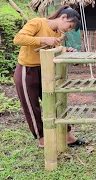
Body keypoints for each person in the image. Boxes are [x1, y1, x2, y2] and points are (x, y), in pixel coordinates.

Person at [13, 5, 86, 148]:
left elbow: (54, 51)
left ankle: (67, 135)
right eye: (70, 26)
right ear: (63, 17)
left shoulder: (58, 33)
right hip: (27, 71)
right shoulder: (37, 22)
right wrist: (43, 40)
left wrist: (66, 50)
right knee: (32, 106)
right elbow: (18, 39)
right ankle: (42, 139)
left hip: (46, 70)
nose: (69, 30)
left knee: (55, 102)